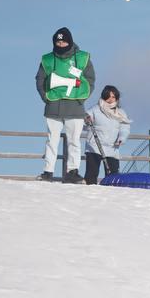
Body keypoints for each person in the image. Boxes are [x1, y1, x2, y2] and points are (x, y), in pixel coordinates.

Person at [35, 26, 95, 183]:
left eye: (63, 41)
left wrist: (81, 99)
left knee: (74, 141)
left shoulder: (82, 57)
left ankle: (72, 172)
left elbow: (90, 79)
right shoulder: (47, 59)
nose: (61, 45)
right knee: (51, 141)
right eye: (58, 42)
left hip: (75, 107)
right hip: (53, 106)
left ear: (69, 41)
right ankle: (48, 172)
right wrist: (46, 97)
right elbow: (40, 79)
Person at [82, 85, 130, 185]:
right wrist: (86, 120)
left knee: (113, 177)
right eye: (108, 96)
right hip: (94, 147)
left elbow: (124, 128)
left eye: (113, 97)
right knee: (91, 174)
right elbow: (83, 123)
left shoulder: (121, 113)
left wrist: (121, 139)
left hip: (112, 148)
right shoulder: (95, 109)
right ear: (104, 96)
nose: (110, 99)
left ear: (117, 98)